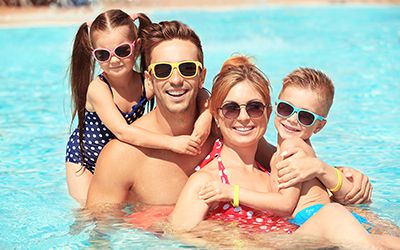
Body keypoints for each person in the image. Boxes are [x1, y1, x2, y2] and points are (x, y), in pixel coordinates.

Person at [85, 20, 372, 212]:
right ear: (149, 79)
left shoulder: (225, 129)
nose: (175, 80)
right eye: (163, 71)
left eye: (186, 69)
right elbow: (97, 233)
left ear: (201, 77)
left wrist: (334, 174)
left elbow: (288, 166)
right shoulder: (120, 157)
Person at [169, 61, 399, 248]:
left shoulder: (272, 163)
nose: (243, 117)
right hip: (307, 235)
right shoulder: (208, 182)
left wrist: (332, 173)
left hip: (315, 234)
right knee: (335, 216)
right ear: (216, 116)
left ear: (268, 113)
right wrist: (227, 242)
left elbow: (305, 192)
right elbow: (176, 235)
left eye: (254, 107)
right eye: (230, 108)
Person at [65, 10, 211, 204]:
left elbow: (192, 91)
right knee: (89, 210)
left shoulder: (145, 82)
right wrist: (172, 143)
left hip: (120, 153)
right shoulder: (98, 89)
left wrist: (206, 118)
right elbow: (123, 132)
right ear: (94, 56)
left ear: (137, 46)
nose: (114, 60)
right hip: (85, 156)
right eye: (103, 54)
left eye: (122, 50)